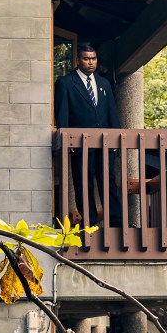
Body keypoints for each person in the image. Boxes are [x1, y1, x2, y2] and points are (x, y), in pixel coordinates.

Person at [54, 43, 122, 227]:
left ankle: (116, 223)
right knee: (84, 185)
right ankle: (90, 224)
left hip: (105, 144)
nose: (91, 62)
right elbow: (62, 117)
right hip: (80, 145)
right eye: (86, 58)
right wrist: (68, 143)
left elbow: (112, 113)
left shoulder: (103, 83)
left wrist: (116, 140)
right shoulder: (65, 83)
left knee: (108, 183)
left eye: (93, 58)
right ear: (78, 60)